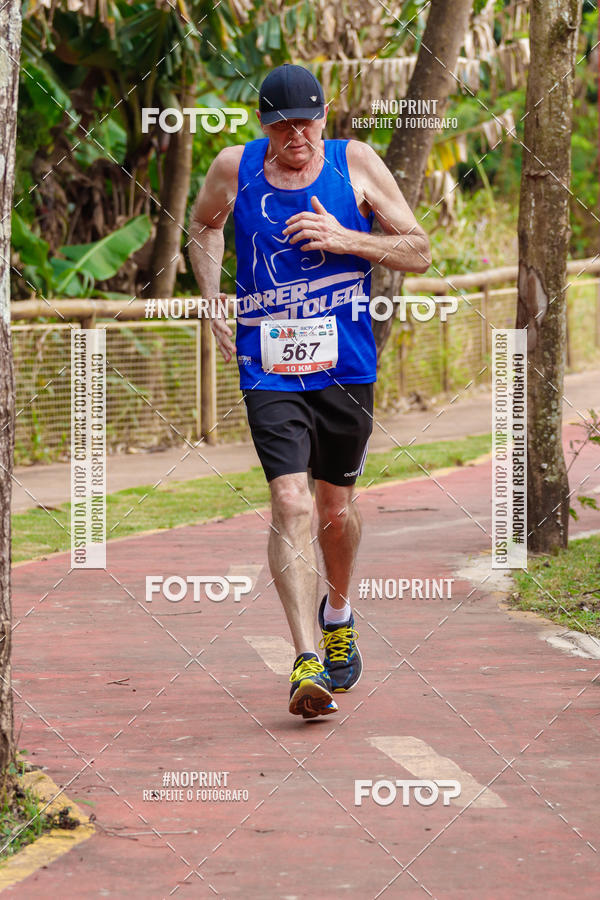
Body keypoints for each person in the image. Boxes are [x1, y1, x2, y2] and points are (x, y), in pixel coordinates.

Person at [189, 63, 431, 719]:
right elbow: (203, 227)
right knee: (290, 500)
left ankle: (340, 612)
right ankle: (305, 660)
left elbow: (418, 249)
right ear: (264, 125)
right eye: (282, 126)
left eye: (306, 123)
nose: (296, 135)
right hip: (267, 365)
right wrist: (211, 298)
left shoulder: (355, 163)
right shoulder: (233, 169)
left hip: (345, 366)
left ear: (325, 116)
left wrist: (345, 237)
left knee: (334, 511)